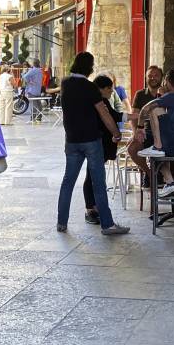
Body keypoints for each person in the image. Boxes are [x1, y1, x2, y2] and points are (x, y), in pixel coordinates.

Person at [55, 51, 130, 235]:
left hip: (71, 140)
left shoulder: (65, 83)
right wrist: (116, 133)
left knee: (68, 181)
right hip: (91, 140)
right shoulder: (90, 88)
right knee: (98, 183)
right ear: (89, 67)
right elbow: (104, 113)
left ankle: (61, 222)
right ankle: (107, 225)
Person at [138, 69, 174, 197]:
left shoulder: (172, 96)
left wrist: (140, 127)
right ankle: (170, 183)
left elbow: (145, 109)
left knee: (154, 110)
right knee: (155, 153)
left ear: (168, 82)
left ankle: (157, 148)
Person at [83, 74, 122, 224]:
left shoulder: (96, 99)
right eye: (110, 88)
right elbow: (114, 117)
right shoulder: (99, 101)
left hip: (97, 143)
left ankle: (94, 208)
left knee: (93, 176)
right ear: (103, 88)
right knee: (92, 177)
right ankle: (91, 209)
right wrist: (133, 117)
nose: (111, 91)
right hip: (97, 143)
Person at [127, 65, 164, 183]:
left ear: (162, 77)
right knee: (132, 148)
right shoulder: (140, 94)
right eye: (150, 76)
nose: (153, 78)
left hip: (164, 133)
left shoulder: (166, 94)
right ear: (146, 78)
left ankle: (164, 177)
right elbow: (134, 116)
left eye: (156, 75)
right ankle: (149, 173)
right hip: (145, 132)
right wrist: (135, 133)